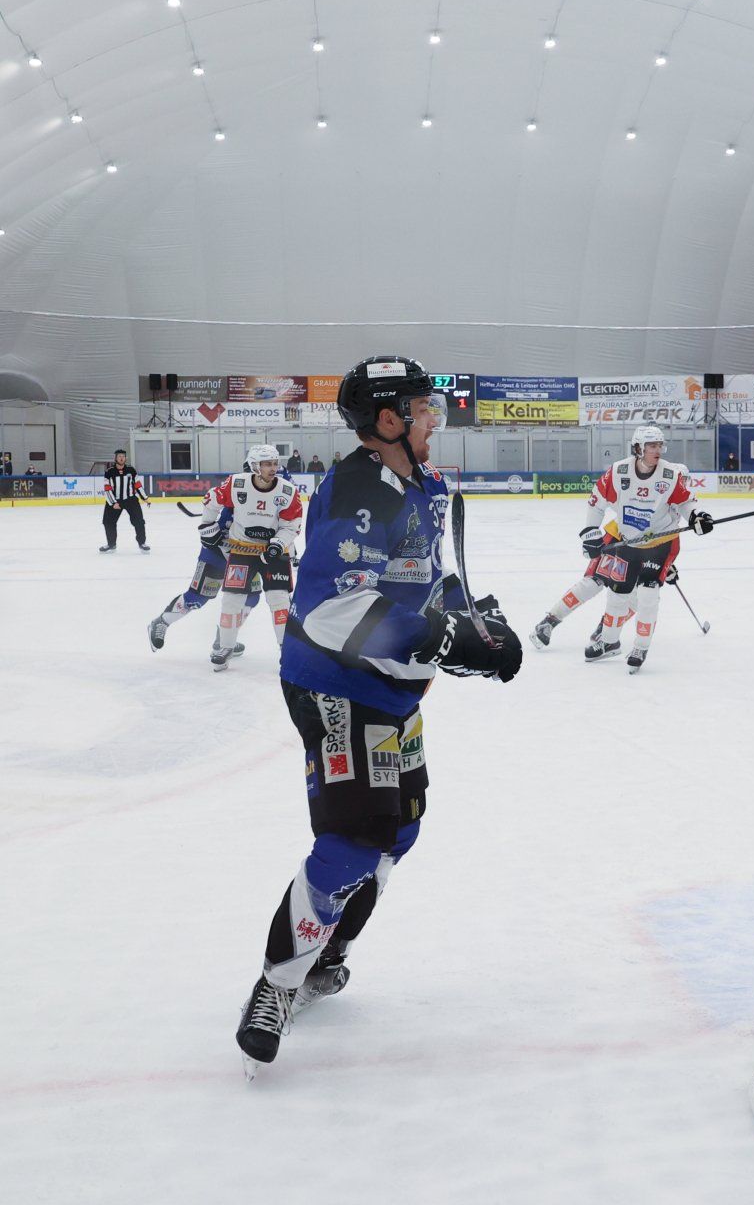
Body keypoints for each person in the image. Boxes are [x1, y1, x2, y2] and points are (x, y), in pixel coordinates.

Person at [236, 355, 521, 1075]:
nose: (436, 420)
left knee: (401, 832)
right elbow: (333, 610)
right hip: (334, 686)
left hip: (396, 691)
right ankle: (275, 985)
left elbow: (430, 575)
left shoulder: (424, 482)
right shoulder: (358, 493)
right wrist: (443, 637)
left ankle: (329, 944)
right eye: (424, 409)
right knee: (354, 843)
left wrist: (466, 620)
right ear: (388, 421)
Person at [528, 424, 712, 671]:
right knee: (594, 582)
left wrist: (668, 563)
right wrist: (591, 535)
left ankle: (611, 633)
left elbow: (674, 524)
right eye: (652, 445)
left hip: (653, 547)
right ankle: (551, 620)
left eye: (660, 446)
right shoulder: (622, 473)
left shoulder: (673, 489)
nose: (684, 484)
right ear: (638, 448)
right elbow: (599, 503)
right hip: (619, 539)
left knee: (641, 596)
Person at [202, 445, 305, 670]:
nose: (273, 468)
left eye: (275, 463)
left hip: (273, 553)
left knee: (279, 600)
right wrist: (206, 525)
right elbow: (212, 499)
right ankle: (225, 646)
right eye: (267, 464)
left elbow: (292, 525)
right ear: (255, 466)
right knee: (231, 599)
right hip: (242, 550)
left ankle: (286, 649)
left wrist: (278, 544)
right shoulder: (237, 483)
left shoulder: (287, 491)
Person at [147, 477, 263, 653]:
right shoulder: (239, 484)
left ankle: (225, 637)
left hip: (248, 555)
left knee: (251, 596)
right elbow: (212, 497)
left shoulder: (275, 491)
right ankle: (162, 621)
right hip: (217, 552)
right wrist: (208, 528)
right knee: (198, 597)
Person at [100, 449, 149, 552]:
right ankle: (111, 544)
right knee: (108, 522)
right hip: (115, 501)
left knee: (139, 521)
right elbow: (107, 488)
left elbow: (137, 484)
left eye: (123, 456)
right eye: (119, 456)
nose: (121, 458)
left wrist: (145, 498)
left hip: (131, 500)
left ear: (125, 458)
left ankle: (142, 543)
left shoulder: (131, 470)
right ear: (115, 458)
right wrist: (113, 503)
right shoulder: (109, 472)